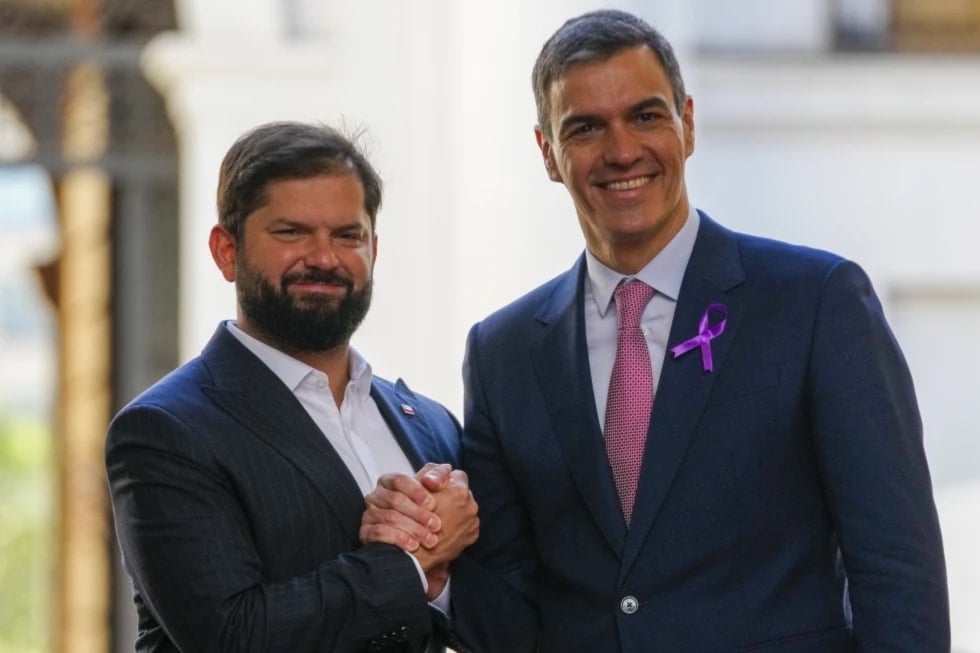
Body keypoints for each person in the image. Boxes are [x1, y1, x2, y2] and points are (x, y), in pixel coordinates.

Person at [370, 8, 951, 652]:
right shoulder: (503, 353)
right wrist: (431, 571)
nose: (622, 151)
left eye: (646, 116)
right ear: (548, 153)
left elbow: (899, 573)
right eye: (586, 127)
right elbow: (512, 614)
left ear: (688, 123)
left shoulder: (815, 302)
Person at [105, 121, 477, 653]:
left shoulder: (432, 424)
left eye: (348, 235)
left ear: (374, 249)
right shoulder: (166, 431)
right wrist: (412, 562)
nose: (324, 257)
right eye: (291, 232)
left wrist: (441, 581)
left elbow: (497, 619)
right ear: (226, 251)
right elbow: (232, 637)